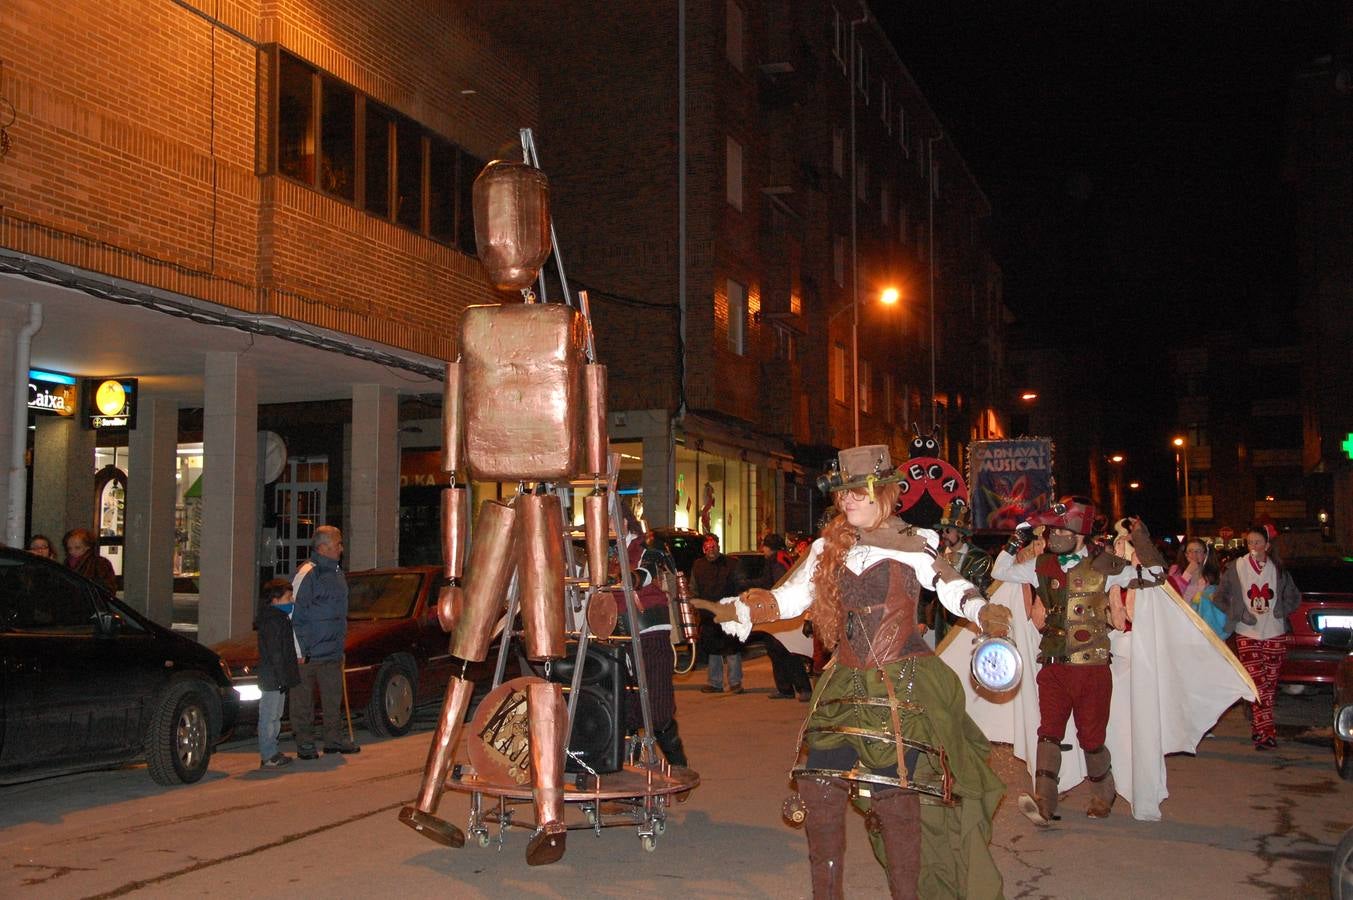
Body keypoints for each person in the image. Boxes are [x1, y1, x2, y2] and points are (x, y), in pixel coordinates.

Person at [698, 445, 1009, 899]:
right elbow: (790, 598)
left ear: (882, 493)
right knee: (819, 788)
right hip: (845, 678)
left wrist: (984, 612)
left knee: (894, 794)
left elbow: (951, 587)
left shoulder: (915, 542)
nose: (848, 502)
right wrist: (745, 607)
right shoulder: (829, 546)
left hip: (901, 678)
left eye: (858, 493)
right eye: (843, 494)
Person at [992, 497, 1166, 825]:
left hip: (1092, 667)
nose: (1053, 535)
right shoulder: (1040, 565)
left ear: (1080, 533)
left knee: (1091, 736)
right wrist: (1018, 537)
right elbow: (999, 570)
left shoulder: (1105, 565)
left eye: (1059, 528)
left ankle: (1104, 793)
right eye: (1051, 529)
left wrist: (1141, 538)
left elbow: (1156, 575)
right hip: (1054, 665)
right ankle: (1044, 802)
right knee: (1048, 732)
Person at [611, 512, 687, 767]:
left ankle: (678, 767)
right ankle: (627, 779)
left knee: (657, 709)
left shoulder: (646, 546)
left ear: (623, 522)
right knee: (625, 710)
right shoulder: (600, 552)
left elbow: (647, 572)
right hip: (616, 637)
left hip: (650, 634)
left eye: (609, 519)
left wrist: (629, 578)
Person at [1216, 524, 1300, 750]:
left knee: (1269, 685)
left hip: (1275, 634)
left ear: (1267, 545)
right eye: (1249, 542)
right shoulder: (1236, 567)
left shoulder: (1278, 569)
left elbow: (1294, 597)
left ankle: (1259, 728)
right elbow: (1219, 598)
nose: (1253, 546)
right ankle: (1267, 733)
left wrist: (1282, 610)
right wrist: (1239, 613)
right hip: (1247, 633)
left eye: (1257, 542)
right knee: (1258, 683)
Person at [290, 525, 359, 758]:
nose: (341, 548)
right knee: (303, 701)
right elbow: (294, 612)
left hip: (331, 650)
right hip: (308, 652)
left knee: (332, 698)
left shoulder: (337, 574)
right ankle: (305, 742)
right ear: (323, 547)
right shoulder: (307, 573)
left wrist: (340, 645)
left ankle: (333, 740)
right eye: (337, 544)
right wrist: (299, 648)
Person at [744, 533, 814, 701]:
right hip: (786, 609)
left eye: (764, 546)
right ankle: (793, 688)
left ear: (769, 547)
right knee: (784, 650)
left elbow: (777, 584)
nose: (763, 550)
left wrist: (752, 586)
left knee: (780, 650)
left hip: (779, 611)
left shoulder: (776, 561)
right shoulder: (786, 558)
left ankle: (793, 688)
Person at [689, 535, 743, 694]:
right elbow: (694, 587)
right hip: (708, 613)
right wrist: (694, 604)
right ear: (703, 549)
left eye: (713, 547)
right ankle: (715, 682)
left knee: (731, 647)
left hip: (728, 611)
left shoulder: (732, 564)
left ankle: (735, 683)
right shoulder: (698, 565)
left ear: (718, 546)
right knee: (713, 648)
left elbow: (740, 585)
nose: (710, 550)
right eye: (707, 547)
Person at [256, 578, 301, 769]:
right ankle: (268, 754)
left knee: (274, 715)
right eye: (288, 597)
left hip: (276, 676)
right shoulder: (274, 621)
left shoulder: (276, 618)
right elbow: (276, 652)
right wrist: (282, 677)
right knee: (270, 716)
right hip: (273, 677)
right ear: (275, 600)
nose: (292, 601)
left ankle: (271, 751)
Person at [1167, 538, 1228, 639]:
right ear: (1186, 555)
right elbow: (1174, 597)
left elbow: (1222, 603)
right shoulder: (1176, 572)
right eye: (1190, 551)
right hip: (1184, 625)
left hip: (1208, 627)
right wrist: (1187, 573)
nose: (1194, 555)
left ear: (1205, 555)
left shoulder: (1214, 575)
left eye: (1198, 551)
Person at [63, 527, 116, 592]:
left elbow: (107, 588)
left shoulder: (99, 563)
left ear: (87, 547)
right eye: (69, 548)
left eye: (77, 548)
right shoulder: (67, 563)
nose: (72, 552)